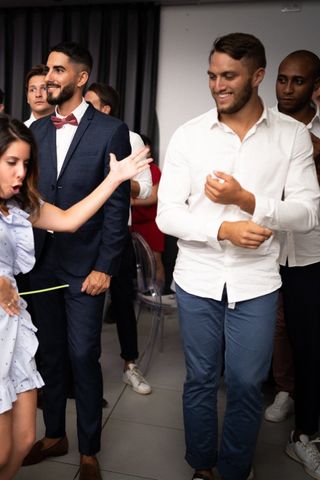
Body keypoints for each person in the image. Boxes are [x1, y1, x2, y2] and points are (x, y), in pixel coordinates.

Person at [0, 115, 151, 480]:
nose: (21, 173)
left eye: (26, 164)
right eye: (12, 163)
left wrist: (114, 179)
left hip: (11, 324)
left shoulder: (15, 201)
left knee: (22, 441)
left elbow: (68, 219)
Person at [156, 33, 319, 480]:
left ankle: (234, 468)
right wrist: (222, 228)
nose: (217, 85)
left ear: (257, 77)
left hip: (257, 282)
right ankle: (203, 466)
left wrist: (249, 200)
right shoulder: (189, 135)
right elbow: (168, 214)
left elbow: (307, 214)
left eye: (229, 76)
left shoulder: (292, 138)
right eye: (212, 75)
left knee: (247, 385)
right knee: (201, 380)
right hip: (197, 277)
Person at [23, 42, 132, 480]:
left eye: (57, 69)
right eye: (47, 69)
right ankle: (54, 435)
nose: (49, 77)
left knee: (83, 354)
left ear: (80, 77)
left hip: (86, 265)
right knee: (47, 353)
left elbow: (116, 205)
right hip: (39, 264)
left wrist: (106, 266)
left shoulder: (111, 130)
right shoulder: (33, 131)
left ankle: (88, 449)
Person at [269, 50, 320, 479]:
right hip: (264, 249)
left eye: (297, 81)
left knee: (309, 339)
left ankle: (305, 434)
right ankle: (283, 391)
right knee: (270, 331)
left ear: (315, 88)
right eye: (282, 80)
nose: (287, 89)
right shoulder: (266, 127)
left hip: (309, 252)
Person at [84, 82, 153, 396]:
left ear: (106, 108)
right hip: (82, 231)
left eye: (90, 102)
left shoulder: (130, 137)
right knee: (83, 305)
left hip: (116, 233)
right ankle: (82, 370)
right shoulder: (78, 136)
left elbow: (147, 189)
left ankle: (130, 364)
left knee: (123, 301)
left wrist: (118, 182)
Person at [131, 134, 165, 289]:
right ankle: (142, 294)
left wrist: (131, 202)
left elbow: (153, 197)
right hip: (134, 223)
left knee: (154, 261)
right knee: (139, 263)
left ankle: (157, 296)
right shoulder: (131, 170)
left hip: (151, 223)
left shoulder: (154, 169)